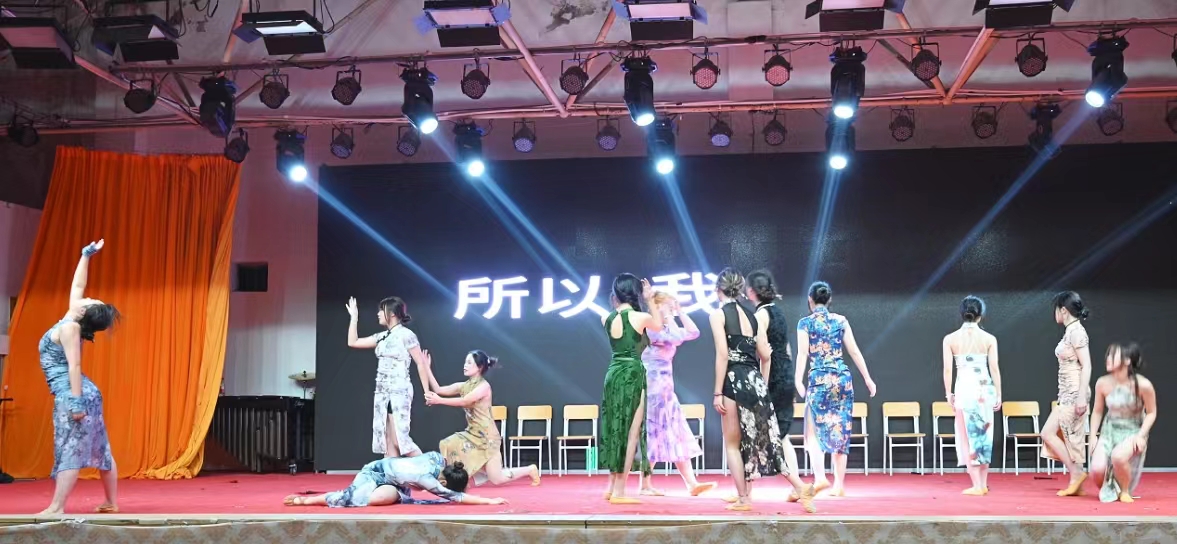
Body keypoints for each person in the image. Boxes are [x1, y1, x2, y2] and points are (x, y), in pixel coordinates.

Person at [710, 268, 816, 513]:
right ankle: (799, 487)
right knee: (767, 442)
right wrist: (762, 385)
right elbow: (766, 355)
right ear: (740, 290)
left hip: (734, 380)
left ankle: (744, 499)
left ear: (718, 290)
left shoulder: (718, 314)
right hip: (756, 382)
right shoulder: (752, 316)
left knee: (733, 444)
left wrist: (717, 392)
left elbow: (723, 355)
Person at [37, 239, 121, 515]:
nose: (88, 296)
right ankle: (110, 502)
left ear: (84, 310)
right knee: (101, 447)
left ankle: (57, 507)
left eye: (91, 300)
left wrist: (76, 402)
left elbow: (74, 366)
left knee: (70, 447)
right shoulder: (72, 317)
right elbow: (78, 286)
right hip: (82, 392)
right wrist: (86, 256)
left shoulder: (71, 327)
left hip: (75, 392)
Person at [795, 281, 876, 497]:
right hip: (842, 379)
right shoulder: (841, 321)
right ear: (829, 300)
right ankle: (839, 485)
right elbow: (854, 351)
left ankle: (820, 477)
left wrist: (797, 380)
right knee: (841, 427)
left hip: (819, 379)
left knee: (812, 430)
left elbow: (802, 354)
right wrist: (868, 378)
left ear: (810, 300)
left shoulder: (805, 323)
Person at [637, 292, 717, 497]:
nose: (671, 309)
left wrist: (680, 312)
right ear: (656, 306)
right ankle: (645, 484)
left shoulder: (667, 327)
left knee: (676, 433)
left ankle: (691, 483)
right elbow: (676, 338)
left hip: (666, 390)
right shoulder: (651, 329)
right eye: (668, 305)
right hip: (652, 389)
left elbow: (693, 332)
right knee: (653, 435)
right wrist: (668, 315)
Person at [423, 349, 540, 488]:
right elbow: (438, 389)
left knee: (497, 479)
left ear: (479, 367)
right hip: (472, 433)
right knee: (447, 444)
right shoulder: (464, 386)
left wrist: (439, 401)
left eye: (469, 363)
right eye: (465, 362)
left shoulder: (484, 387)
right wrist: (427, 368)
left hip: (488, 438)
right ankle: (448, 481)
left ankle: (530, 469)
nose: (465, 365)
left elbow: (465, 401)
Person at [600, 273, 661, 504]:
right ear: (635, 293)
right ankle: (619, 491)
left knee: (615, 430)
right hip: (632, 374)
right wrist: (650, 299)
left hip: (613, 373)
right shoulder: (640, 317)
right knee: (631, 433)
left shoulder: (606, 318)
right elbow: (659, 325)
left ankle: (611, 487)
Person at [346, 296, 430, 458]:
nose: (378, 314)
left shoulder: (407, 335)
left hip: (399, 391)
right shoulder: (382, 336)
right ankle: (392, 473)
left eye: (381, 310)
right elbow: (353, 342)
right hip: (382, 392)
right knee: (387, 442)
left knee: (400, 440)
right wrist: (354, 318)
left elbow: (420, 363)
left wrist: (426, 391)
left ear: (392, 314)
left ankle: (430, 466)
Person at [283, 452, 507, 507]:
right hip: (373, 473)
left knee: (377, 500)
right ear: (444, 483)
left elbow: (454, 490)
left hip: (395, 484)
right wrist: (488, 501)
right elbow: (456, 497)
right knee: (351, 498)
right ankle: (308, 501)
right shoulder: (427, 479)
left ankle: (392, 494)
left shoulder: (438, 458)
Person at [744, 271, 803, 476]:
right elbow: (787, 349)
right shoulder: (778, 312)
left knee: (766, 432)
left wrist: (762, 385)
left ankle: (750, 482)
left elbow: (764, 354)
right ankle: (797, 483)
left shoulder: (760, 316)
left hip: (773, 377)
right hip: (785, 374)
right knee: (781, 434)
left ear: (751, 292)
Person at [942, 295, 1002, 496]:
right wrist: (999, 394)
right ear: (980, 315)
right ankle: (982, 483)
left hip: (964, 389)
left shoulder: (950, 339)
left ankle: (977, 484)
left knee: (966, 437)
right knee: (984, 435)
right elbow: (994, 368)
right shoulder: (989, 339)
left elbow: (947, 370)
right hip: (985, 388)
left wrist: (948, 393)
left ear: (962, 313)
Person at [1088, 343, 1155, 503]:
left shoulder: (1143, 385)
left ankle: (1125, 490)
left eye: (1113, 355)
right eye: (1108, 355)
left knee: (1118, 457)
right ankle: (1111, 488)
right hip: (1109, 430)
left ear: (1127, 361)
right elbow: (1097, 411)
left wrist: (1141, 436)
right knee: (1096, 470)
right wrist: (1092, 436)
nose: (1107, 359)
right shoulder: (1102, 383)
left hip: (1133, 431)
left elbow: (1151, 412)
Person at [1041, 290, 1092, 496]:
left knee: (1050, 433)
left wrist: (1081, 396)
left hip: (1074, 391)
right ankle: (1076, 480)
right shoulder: (1071, 331)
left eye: (1056, 309)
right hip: (1068, 391)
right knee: (1070, 436)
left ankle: (1076, 474)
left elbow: (1087, 365)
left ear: (1063, 310)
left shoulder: (1077, 332)